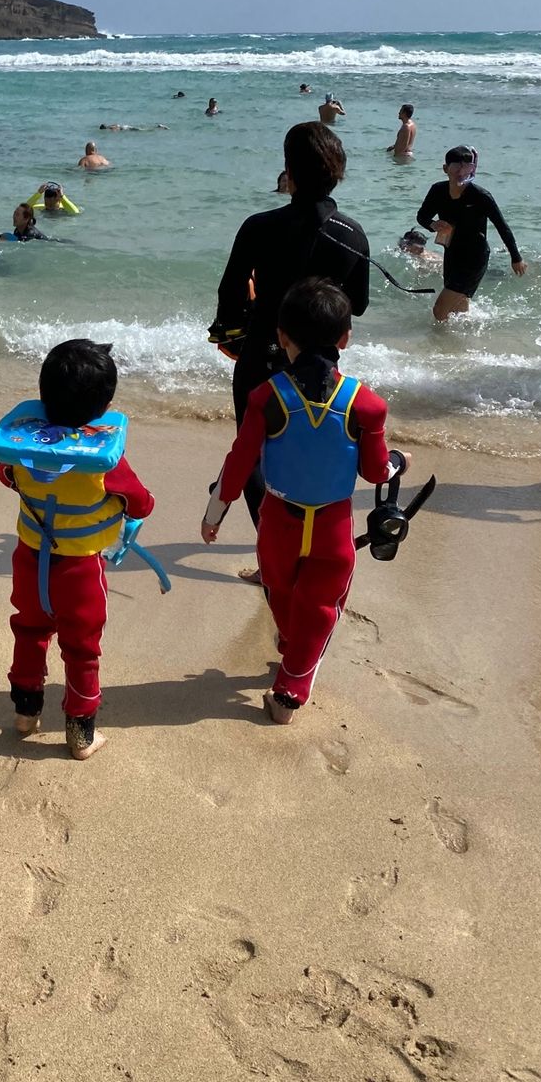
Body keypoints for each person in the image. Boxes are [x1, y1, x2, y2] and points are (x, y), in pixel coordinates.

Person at [201, 279, 407, 724]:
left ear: (281, 337)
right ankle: (291, 688)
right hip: (332, 524)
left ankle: (291, 652)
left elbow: (239, 462)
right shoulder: (366, 405)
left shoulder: (267, 397)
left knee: (279, 589)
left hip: (277, 519)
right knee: (320, 605)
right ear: (345, 338)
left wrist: (214, 512)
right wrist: (396, 463)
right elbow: (375, 472)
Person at [214, 121, 370, 545]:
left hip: (262, 351)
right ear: (337, 170)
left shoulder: (258, 226)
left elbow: (229, 294)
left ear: (290, 171)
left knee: (250, 454)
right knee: (308, 448)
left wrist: (237, 327)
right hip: (320, 363)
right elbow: (357, 304)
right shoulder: (352, 233)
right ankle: (307, 543)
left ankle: (274, 548)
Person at [0, 339, 153, 760]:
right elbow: (140, 501)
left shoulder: (22, 455)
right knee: (82, 649)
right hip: (80, 572)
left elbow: (5, 475)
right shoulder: (103, 463)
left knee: (29, 631)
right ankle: (81, 733)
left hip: (29, 561)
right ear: (104, 404)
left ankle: (25, 714)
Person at [415, 145, 526, 320]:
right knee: (459, 305)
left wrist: (516, 257)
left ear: (472, 170)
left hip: (475, 256)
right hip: (452, 253)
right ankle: (461, 342)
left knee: (440, 310)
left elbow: (502, 226)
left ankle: (442, 340)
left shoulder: (481, 196)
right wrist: (433, 224)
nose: (461, 171)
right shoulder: (438, 190)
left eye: (466, 167)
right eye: (457, 166)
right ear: (446, 168)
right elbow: (422, 216)